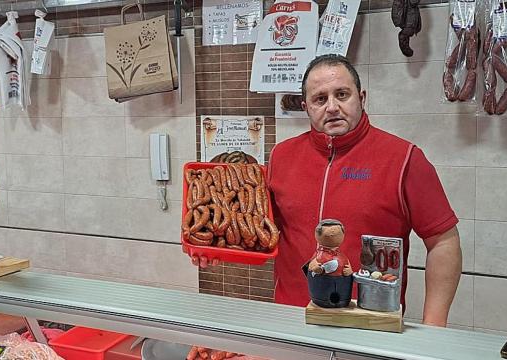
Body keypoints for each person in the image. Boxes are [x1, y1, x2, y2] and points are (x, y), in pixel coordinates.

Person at [193, 54, 462, 327]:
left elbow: (443, 241)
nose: (332, 107)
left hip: (369, 323)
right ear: (305, 107)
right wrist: (216, 247)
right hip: (292, 322)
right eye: (320, 99)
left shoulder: (405, 159)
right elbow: (263, 231)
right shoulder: (282, 156)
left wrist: (434, 326)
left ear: (362, 97)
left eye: (342, 95)